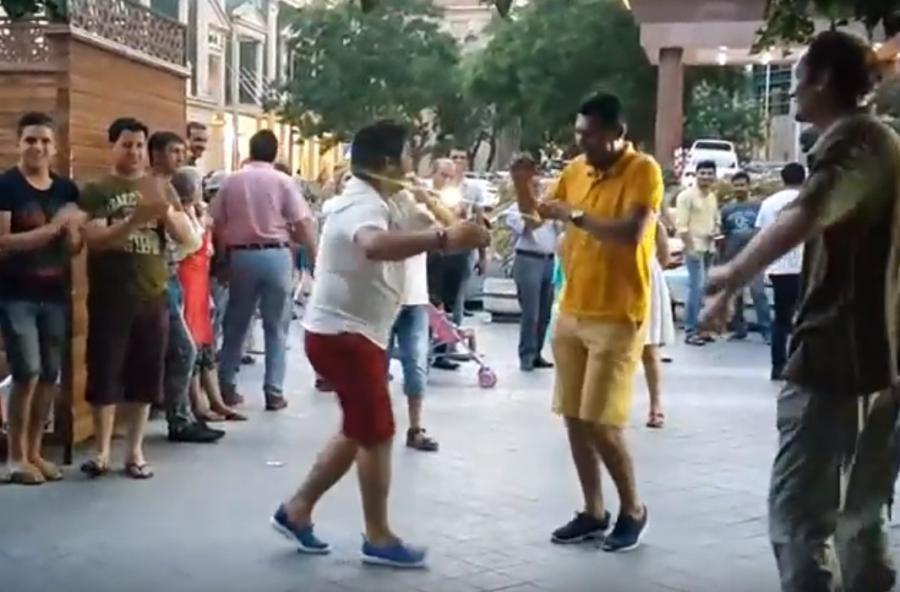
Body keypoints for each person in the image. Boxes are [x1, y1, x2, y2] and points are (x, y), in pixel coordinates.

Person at [700, 31, 900, 592]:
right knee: (861, 516)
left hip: (838, 356)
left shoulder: (857, 142)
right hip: (878, 360)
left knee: (800, 519)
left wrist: (732, 275)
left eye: (796, 76)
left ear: (823, 80)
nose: (791, 89)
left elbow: (808, 212)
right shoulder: (879, 144)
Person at [271, 120, 489, 568]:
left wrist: (455, 222)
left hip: (354, 333)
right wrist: (445, 238)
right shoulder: (361, 202)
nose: (413, 163)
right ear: (389, 163)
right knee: (377, 432)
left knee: (359, 430)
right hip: (344, 335)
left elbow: (437, 226)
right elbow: (374, 244)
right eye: (408, 155)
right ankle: (378, 536)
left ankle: (297, 510)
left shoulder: (395, 198)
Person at [514, 93, 658, 552]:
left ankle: (633, 509)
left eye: (592, 135)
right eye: (579, 133)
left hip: (618, 313)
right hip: (573, 309)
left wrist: (575, 215)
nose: (583, 142)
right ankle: (593, 511)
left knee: (602, 422)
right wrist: (521, 184)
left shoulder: (643, 170)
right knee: (575, 417)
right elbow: (536, 220)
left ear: (617, 133)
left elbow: (631, 232)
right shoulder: (576, 170)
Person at [78, 117, 196, 479]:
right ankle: (101, 452)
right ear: (113, 147)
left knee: (145, 374)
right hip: (110, 294)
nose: (134, 152)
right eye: (126, 145)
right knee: (105, 371)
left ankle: (134, 451)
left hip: (152, 292)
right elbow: (94, 239)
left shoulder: (160, 187)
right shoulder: (97, 190)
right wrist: (133, 220)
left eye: (140, 146)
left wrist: (166, 213)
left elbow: (189, 238)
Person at [0, 112, 85, 485]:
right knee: (27, 371)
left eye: (45, 141)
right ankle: (15, 457)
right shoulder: (6, 185)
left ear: (55, 147)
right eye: (30, 140)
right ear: (18, 143)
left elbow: (74, 245)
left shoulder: (66, 190)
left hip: (54, 294)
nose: (37, 147)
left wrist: (73, 233)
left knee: (50, 372)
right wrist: (54, 228)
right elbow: (3, 243)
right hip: (15, 294)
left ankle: (35, 451)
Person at [210, 130, 317, 411]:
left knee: (236, 323)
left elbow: (217, 222)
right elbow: (303, 222)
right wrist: (314, 255)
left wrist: (222, 258)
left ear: (251, 149)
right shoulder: (283, 181)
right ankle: (274, 391)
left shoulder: (231, 181)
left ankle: (227, 385)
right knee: (276, 326)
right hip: (276, 255)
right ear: (275, 152)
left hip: (241, 256)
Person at [149, 131, 224, 444]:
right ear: (156, 154)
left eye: (182, 151)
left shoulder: (167, 187)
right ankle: (179, 418)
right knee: (183, 348)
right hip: (160, 276)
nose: (180, 156)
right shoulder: (157, 188)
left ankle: (183, 415)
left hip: (171, 274)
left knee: (183, 348)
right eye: (174, 151)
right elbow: (188, 238)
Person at [171, 167, 246, 422]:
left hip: (200, 278)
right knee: (192, 340)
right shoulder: (182, 215)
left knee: (205, 340)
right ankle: (198, 403)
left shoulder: (198, 212)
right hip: (189, 276)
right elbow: (190, 243)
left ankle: (215, 400)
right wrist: (202, 222)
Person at [503, 154, 562, 371]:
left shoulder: (549, 206)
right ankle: (526, 355)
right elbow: (529, 226)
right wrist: (539, 211)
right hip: (528, 260)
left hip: (548, 260)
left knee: (545, 312)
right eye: (531, 185)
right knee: (531, 313)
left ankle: (537, 352)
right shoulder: (514, 209)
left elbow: (562, 229)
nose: (536, 188)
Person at [755, 163, 806, 381]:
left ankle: (778, 365)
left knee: (781, 318)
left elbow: (761, 235)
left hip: (779, 267)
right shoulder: (809, 201)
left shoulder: (769, 203)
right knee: (803, 317)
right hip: (804, 266)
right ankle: (798, 365)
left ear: (783, 179)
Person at [720, 171, 771, 341]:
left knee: (758, 293)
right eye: (736, 185)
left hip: (755, 257)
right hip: (734, 257)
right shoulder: (727, 209)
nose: (739, 188)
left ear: (749, 186)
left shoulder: (758, 206)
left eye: (742, 185)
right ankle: (739, 328)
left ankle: (766, 330)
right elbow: (724, 233)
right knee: (736, 296)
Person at [675, 160, 719, 346]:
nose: (706, 177)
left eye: (710, 173)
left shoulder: (712, 197)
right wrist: (690, 248)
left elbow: (715, 220)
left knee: (704, 289)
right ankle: (690, 330)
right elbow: (681, 226)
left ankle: (702, 329)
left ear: (714, 176)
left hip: (709, 248)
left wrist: (716, 231)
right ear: (696, 174)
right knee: (696, 288)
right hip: (694, 248)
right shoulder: (686, 196)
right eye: (703, 173)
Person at [644, 218, 675, 429]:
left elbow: (664, 256)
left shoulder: (653, 221)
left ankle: (655, 404)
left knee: (649, 346)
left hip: (646, 278)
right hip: (615, 278)